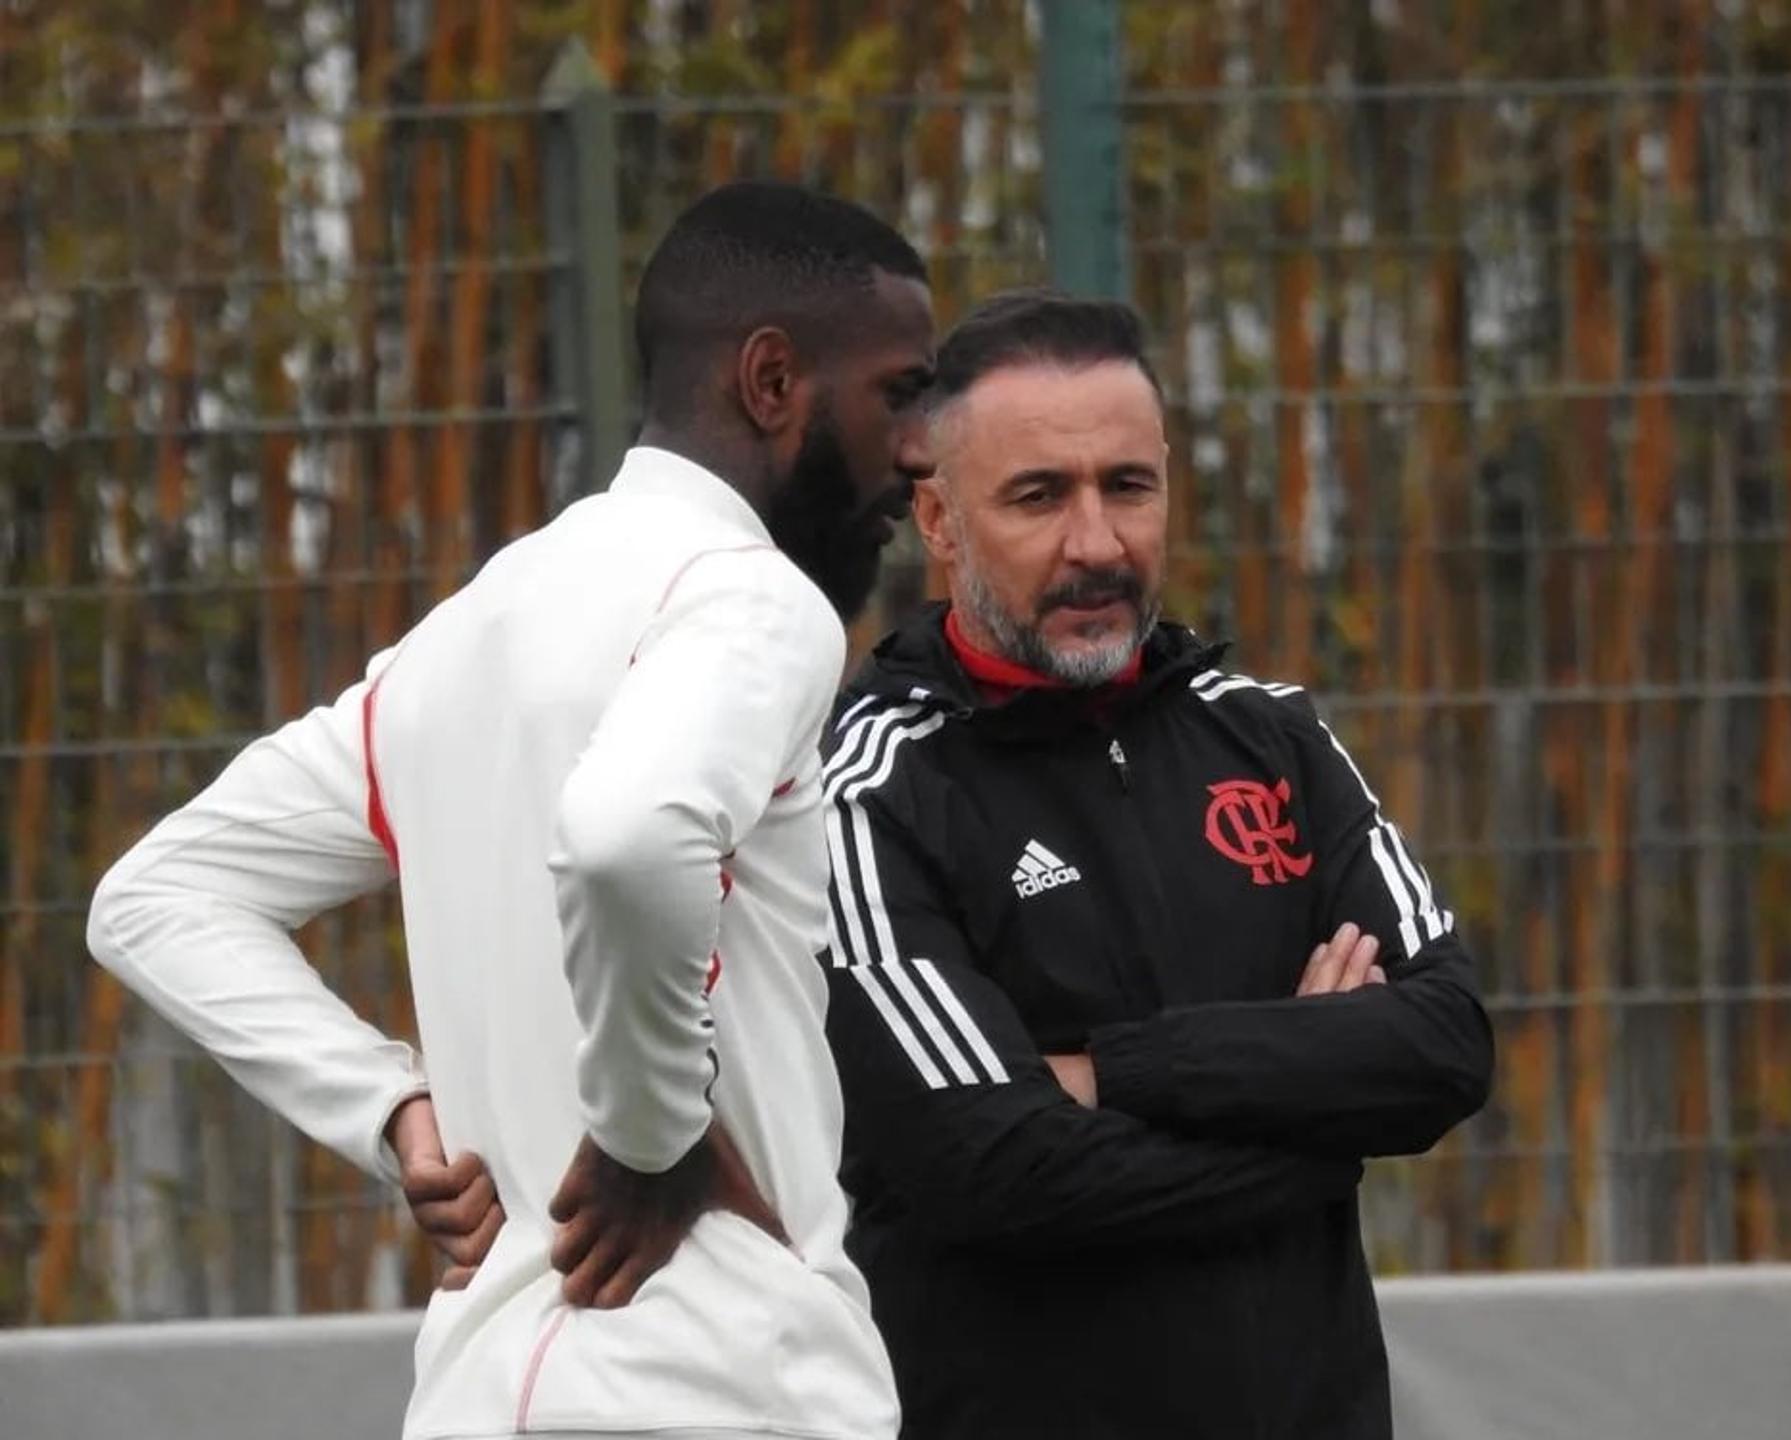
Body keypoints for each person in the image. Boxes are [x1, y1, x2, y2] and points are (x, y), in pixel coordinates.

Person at [86, 181, 936, 1440]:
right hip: (720, 1385)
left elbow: (154, 899)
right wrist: (650, 1139)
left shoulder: (461, 638)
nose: (918, 450)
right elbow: (628, 838)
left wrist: (392, 1113)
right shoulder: (755, 602)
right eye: (900, 393)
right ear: (771, 382)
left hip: (483, 1394)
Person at [818, 289, 1494, 1438]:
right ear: (938, 521)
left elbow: (1446, 1043)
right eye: (1039, 497)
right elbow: (997, 1166)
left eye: (1128, 487)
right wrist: (1321, 1129)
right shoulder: (869, 790)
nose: (1098, 544)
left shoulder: (1273, 736)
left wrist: (1112, 1073)